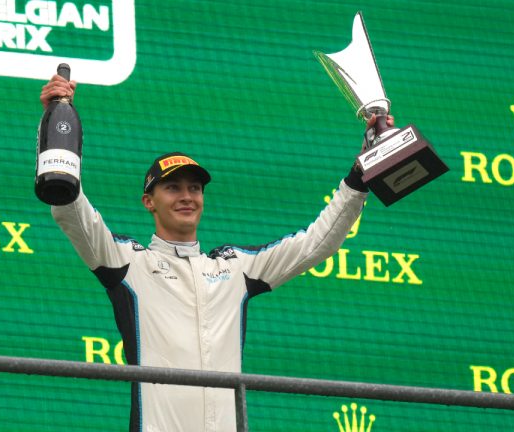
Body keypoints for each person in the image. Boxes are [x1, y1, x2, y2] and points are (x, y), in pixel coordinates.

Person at [41, 74, 393, 432]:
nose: (187, 196)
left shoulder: (235, 268)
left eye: (195, 188)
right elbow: (69, 209)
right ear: (149, 202)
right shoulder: (129, 263)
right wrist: (57, 130)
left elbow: (318, 242)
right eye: (172, 188)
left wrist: (359, 175)